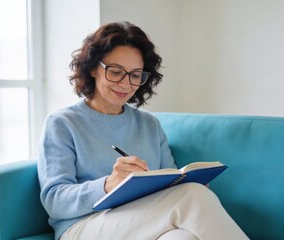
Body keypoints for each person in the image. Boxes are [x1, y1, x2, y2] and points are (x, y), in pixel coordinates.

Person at [37, 21, 248, 240]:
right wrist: (108, 185)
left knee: (183, 237)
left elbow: (172, 183)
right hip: (82, 227)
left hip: (143, 221)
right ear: (92, 68)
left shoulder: (149, 124)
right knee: (193, 196)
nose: (125, 83)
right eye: (116, 71)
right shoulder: (62, 123)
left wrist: (187, 182)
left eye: (135, 75)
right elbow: (55, 201)